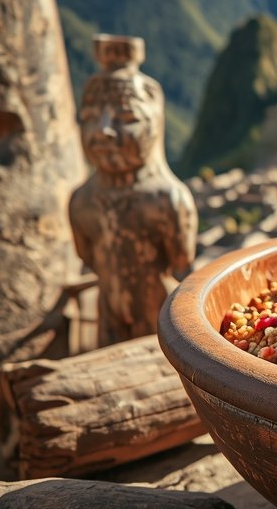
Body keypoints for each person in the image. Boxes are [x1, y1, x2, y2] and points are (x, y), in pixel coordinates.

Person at [69, 35, 197, 346]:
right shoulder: (81, 201)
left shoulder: (168, 200)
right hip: (107, 309)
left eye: (127, 118)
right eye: (89, 118)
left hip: (160, 311)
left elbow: (181, 263)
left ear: (155, 125)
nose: (102, 130)